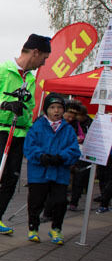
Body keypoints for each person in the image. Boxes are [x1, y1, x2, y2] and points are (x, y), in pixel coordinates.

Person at [0, 34, 50, 235]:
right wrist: (4, 104)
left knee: (13, 177)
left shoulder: (30, 79)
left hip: (19, 131)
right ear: (35, 52)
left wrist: (27, 108)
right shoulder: (1, 70)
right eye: (44, 58)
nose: (44, 62)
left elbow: (30, 107)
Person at [24, 94, 80, 244]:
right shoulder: (37, 125)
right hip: (39, 171)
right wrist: (41, 156)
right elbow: (29, 147)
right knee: (36, 201)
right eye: (52, 107)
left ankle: (56, 228)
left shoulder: (68, 129)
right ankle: (33, 227)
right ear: (46, 109)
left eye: (60, 108)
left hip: (59, 171)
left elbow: (74, 150)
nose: (56, 111)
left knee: (60, 201)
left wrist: (61, 157)